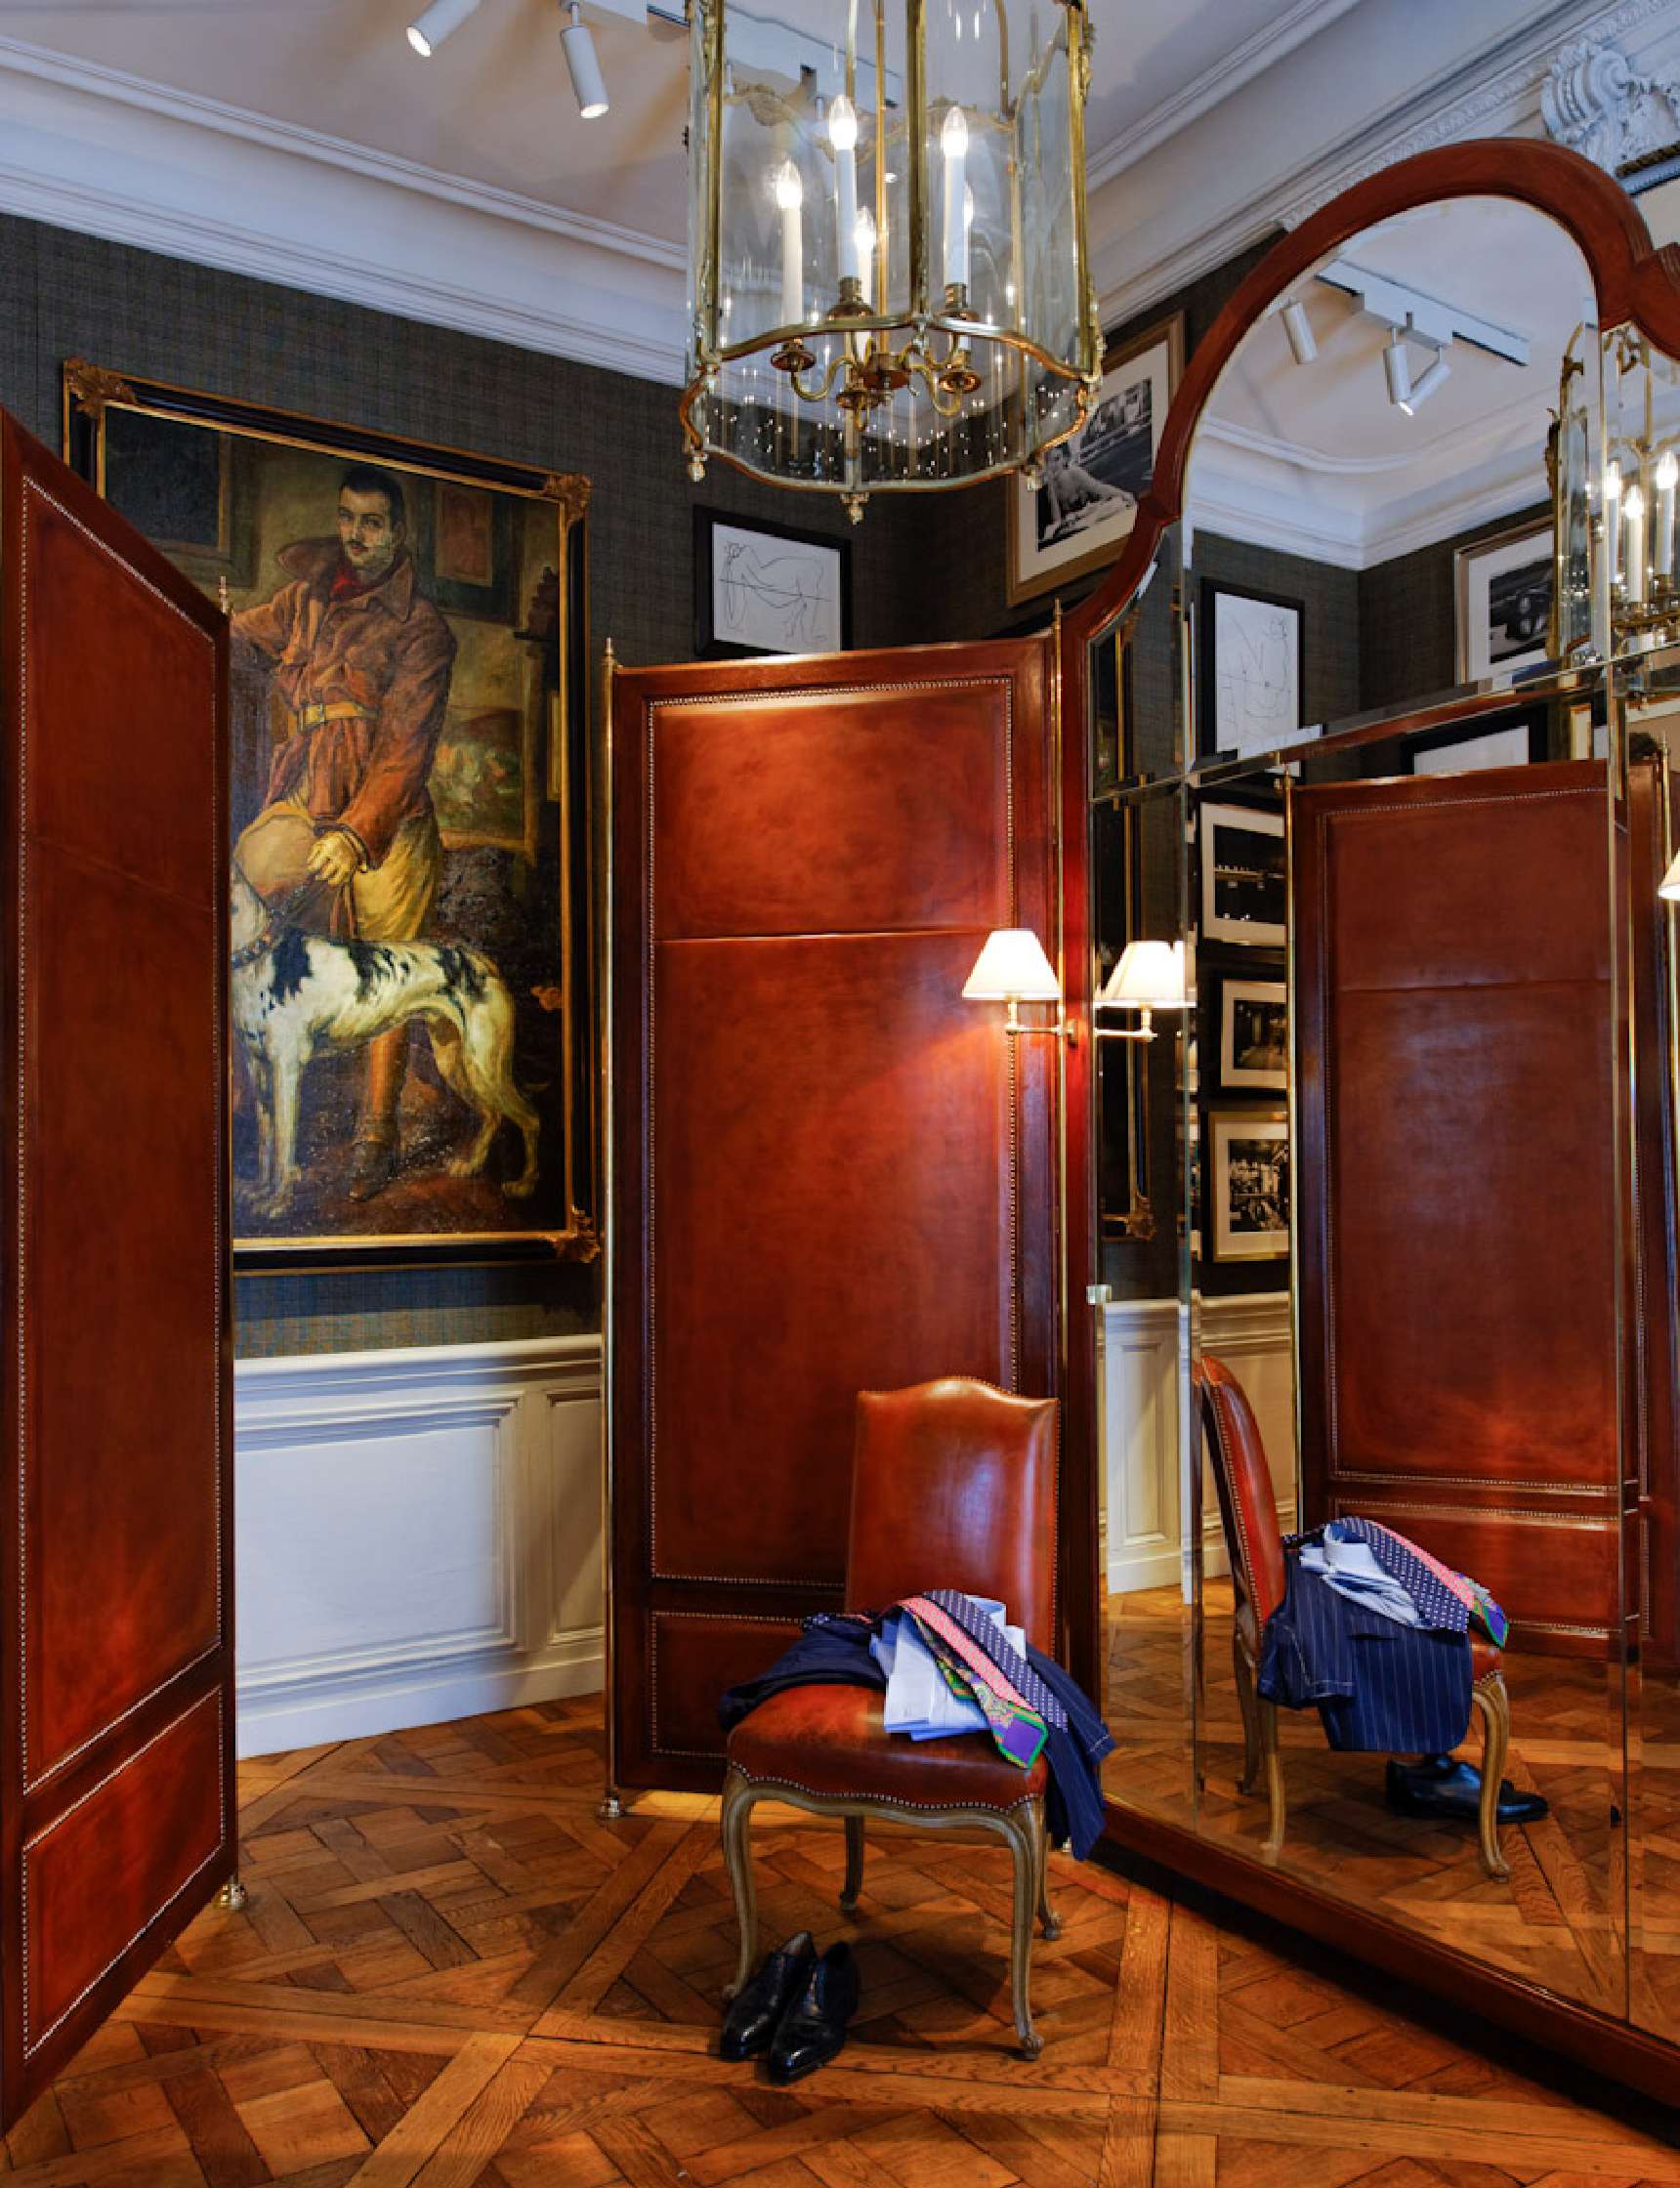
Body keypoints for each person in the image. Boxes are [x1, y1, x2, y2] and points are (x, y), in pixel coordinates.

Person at [231, 464, 457, 1202]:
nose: (355, 535)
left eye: (372, 523)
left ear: (397, 531)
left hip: (388, 815)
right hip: (305, 793)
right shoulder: (303, 600)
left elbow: (406, 749)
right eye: (347, 518)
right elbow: (232, 635)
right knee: (241, 887)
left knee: (385, 964)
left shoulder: (422, 628)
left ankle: (375, 1131)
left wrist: (358, 834)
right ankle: (238, 1105)